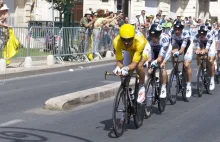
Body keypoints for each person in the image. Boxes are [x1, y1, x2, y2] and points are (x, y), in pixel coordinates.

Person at [113, 24, 147, 104]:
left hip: (141, 49)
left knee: (139, 66)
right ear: (120, 37)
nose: (126, 43)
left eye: (129, 40)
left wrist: (126, 68)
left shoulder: (140, 41)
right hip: (129, 51)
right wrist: (118, 68)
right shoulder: (116, 41)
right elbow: (119, 61)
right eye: (123, 40)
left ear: (133, 37)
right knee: (123, 76)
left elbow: (134, 64)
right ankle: (126, 92)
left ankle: (142, 86)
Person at [142, 23, 171, 100]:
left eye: (155, 36)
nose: (153, 37)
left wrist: (155, 62)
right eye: (151, 35)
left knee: (161, 65)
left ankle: (164, 87)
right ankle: (153, 82)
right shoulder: (148, 39)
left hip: (165, 50)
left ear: (159, 34)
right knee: (150, 69)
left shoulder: (164, 39)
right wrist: (147, 62)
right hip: (154, 50)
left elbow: (160, 58)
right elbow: (148, 54)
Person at [169, 20, 193, 98]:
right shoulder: (171, 33)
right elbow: (172, 46)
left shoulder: (185, 33)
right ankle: (176, 70)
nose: (177, 31)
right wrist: (172, 52)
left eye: (179, 29)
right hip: (178, 43)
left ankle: (188, 84)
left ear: (182, 29)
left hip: (187, 46)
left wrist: (178, 52)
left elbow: (182, 50)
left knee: (186, 65)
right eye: (175, 28)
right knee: (172, 53)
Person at [194, 25, 216, 90]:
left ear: (206, 32)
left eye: (203, 33)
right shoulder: (197, 36)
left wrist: (204, 50)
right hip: (202, 44)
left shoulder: (209, 35)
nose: (202, 34)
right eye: (200, 32)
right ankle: (200, 67)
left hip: (210, 45)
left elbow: (207, 48)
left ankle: (212, 78)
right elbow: (198, 46)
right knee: (198, 53)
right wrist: (198, 50)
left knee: (211, 60)